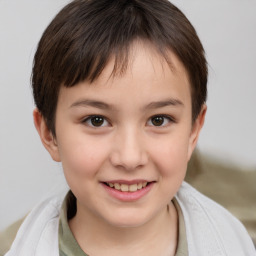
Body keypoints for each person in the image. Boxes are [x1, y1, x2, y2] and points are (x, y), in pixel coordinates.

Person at [2, 0, 255, 255]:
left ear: (193, 131)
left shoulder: (237, 244)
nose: (130, 158)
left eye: (158, 120)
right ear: (49, 134)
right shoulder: (12, 248)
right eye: (96, 120)